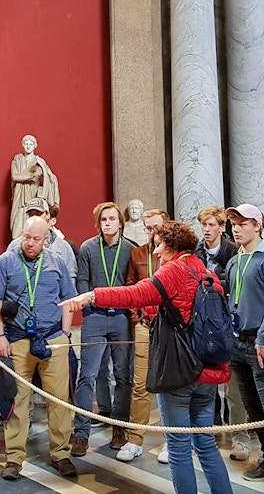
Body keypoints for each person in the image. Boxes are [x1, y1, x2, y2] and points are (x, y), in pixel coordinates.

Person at [60, 220, 233, 494]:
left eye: (159, 243)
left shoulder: (174, 269)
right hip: (207, 367)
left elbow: (136, 294)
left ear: (171, 246)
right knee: (206, 444)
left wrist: (92, 296)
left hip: (179, 369)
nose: (154, 251)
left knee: (177, 447)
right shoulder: (201, 268)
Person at [0, 215, 77, 481]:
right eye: (27, 237)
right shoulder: (6, 261)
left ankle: (61, 453)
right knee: (17, 400)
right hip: (17, 339)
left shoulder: (57, 262)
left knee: (59, 399)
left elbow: (69, 300)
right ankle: (14, 458)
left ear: (46, 240)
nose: (30, 243)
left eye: (36, 239)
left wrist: (66, 335)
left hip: (52, 339)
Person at [70, 202, 134, 456]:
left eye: (112, 219)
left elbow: (133, 284)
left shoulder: (131, 249)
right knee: (87, 375)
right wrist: (90, 305)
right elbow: (82, 281)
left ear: (120, 222)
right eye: (104, 219)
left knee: (123, 376)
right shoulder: (87, 248)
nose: (108, 223)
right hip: (95, 317)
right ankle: (81, 433)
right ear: (98, 223)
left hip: (120, 318)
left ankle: (119, 427)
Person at [116, 208, 170, 463]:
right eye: (148, 228)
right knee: (140, 385)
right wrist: (137, 319)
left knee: (171, 385)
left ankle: (174, 441)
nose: (152, 233)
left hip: (171, 330)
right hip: (145, 327)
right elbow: (130, 288)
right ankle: (134, 439)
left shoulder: (175, 255)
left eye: (156, 228)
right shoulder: (138, 254)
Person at [195, 206, 243, 450]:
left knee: (233, 381)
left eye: (211, 225)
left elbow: (233, 284)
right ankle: (212, 424)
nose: (206, 229)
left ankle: (239, 432)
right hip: (205, 319)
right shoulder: (197, 251)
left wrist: (213, 282)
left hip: (227, 317)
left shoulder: (232, 252)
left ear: (221, 227)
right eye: (203, 225)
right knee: (209, 374)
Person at [225, 203, 264, 480]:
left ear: (258, 226)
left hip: (259, 343)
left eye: (242, 223)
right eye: (234, 224)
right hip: (237, 344)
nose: (236, 228)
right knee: (253, 408)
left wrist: (263, 338)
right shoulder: (234, 261)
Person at [10, 135, 60, 239]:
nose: (28, 146)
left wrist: (42, 169)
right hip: (19, 198)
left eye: (31, 144)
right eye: (26, 143)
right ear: (22, 145)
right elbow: (15, 176)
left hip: (33, 197)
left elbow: (51, 177)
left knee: (34, 227)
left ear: (35, 146)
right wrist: (32, 175)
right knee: (16, 231)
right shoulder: (17, 159)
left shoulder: (39, 161)